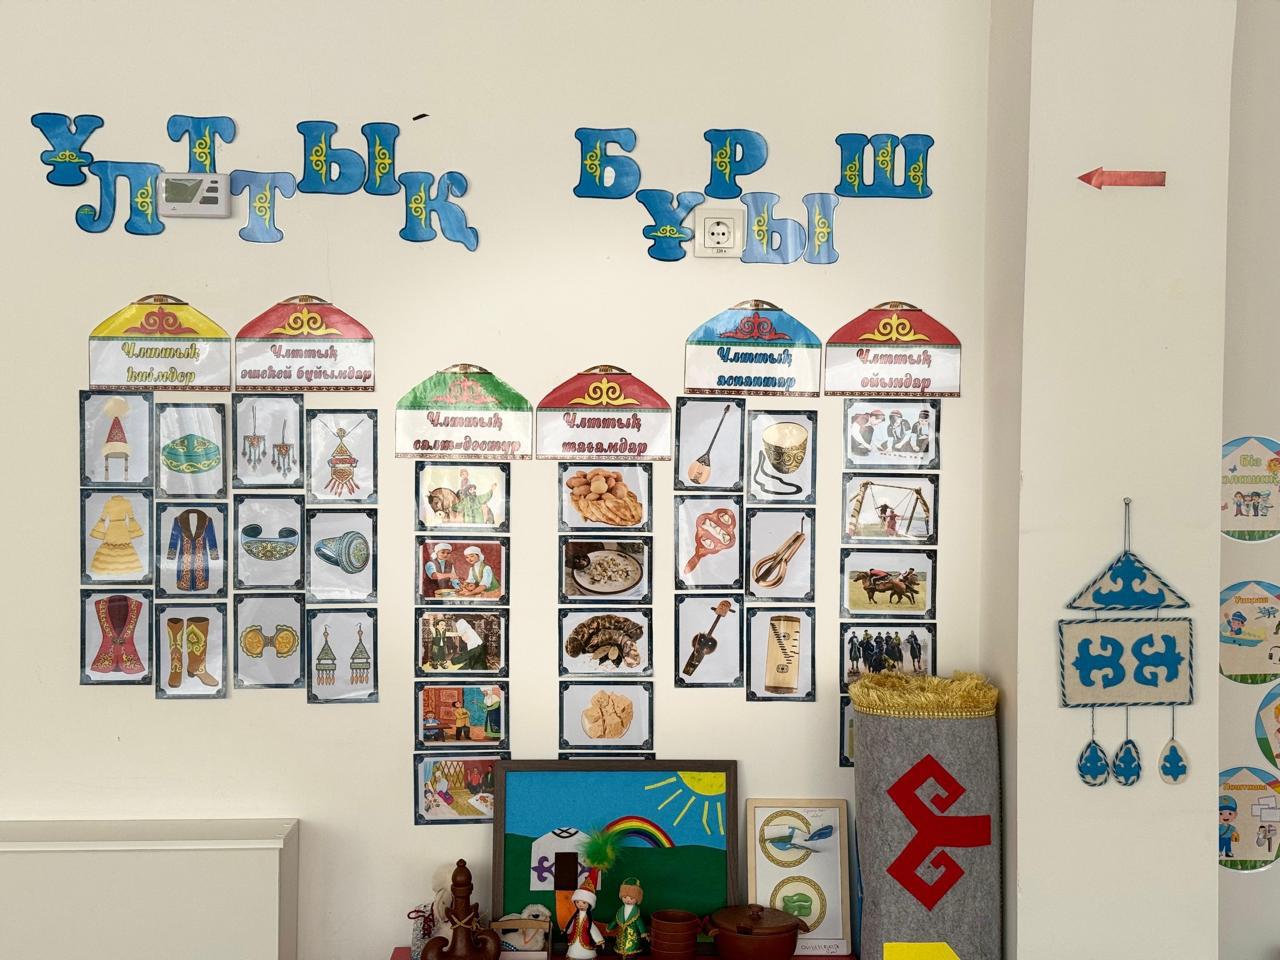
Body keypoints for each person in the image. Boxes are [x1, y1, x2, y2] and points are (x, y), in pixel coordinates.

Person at [563, 879, 604, 960]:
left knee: (587, 954)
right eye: (577, 902)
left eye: (584, 903)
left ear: (589, 904)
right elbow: (571, 924)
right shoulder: (576, 916)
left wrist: (599, 940)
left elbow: (592, 929)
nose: (580, 905)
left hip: (586, 940)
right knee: (573, 953)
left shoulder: (588, 919)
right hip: (574, 941)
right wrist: (567, 930)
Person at [608, 878, 648, 960]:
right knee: (620, 953)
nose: (627, 900)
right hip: (620, 939)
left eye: (631, 898)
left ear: (637, 899)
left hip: (632, 939)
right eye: (625, 897)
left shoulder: (636, 913)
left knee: (631, 954)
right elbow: (615, 919)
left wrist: (643, 932)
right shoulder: (620, 911)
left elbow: (639, 923)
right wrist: (610, 927)